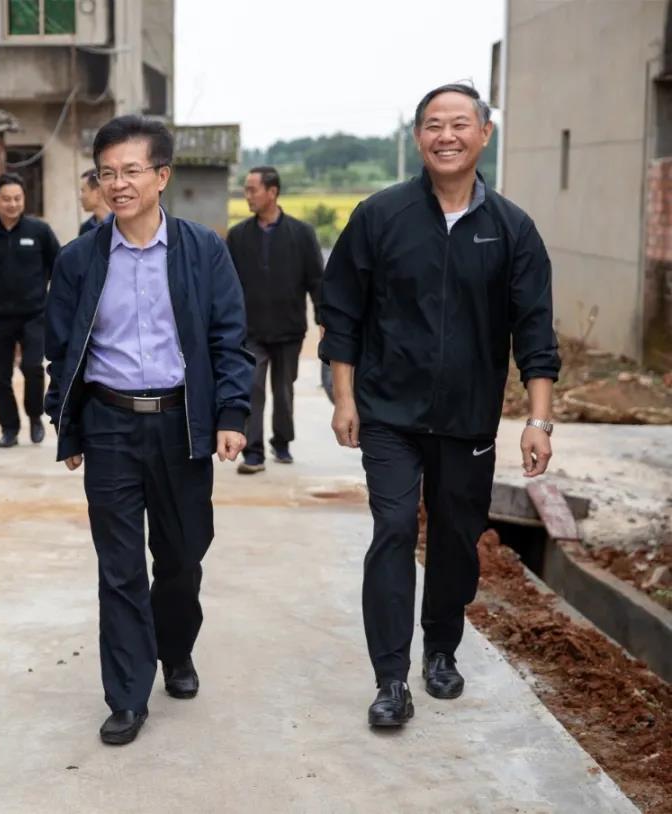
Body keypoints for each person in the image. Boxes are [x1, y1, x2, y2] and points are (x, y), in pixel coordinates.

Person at [318, 84, 560, 728]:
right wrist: (344, 397)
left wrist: (537, 420)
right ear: (418, 136)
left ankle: (442, 649)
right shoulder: (381, 215)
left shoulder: (512, 228)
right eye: (432, 125)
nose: (445, 136)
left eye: (458, 124)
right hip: (388, 415)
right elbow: (342, 311)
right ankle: (390, 679)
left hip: (468, 418)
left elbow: (535, 330)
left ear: (484, 133)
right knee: (394, 530)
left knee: (455, 538)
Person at [45, 115, 253, 746]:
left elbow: (229, 337)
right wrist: (67, 423)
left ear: (162, 176)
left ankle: (176, 648)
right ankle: (128, 695)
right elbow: (61, 347)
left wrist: (232, 414)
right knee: (119, 567)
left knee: (182, 556)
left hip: (180, 422)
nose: (118, 184)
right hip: (109, 422)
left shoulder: (203, 250)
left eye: (132, 171)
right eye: (107, 173)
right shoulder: (79, 259)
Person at [227, 166, 324, 474]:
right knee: (252, 388)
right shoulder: (238, 236)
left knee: (283, 390)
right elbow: (227, 286)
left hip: (289, 329)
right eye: (246, 190)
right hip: (250, 331)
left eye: (252, 190)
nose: (247, 196)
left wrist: (324, 321)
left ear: (272, 192)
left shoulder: (302, 234)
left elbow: (317, 281)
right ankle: (253, 452)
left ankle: (282, 442)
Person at [0, 173, 60, 448]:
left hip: (34, 314)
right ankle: (9, 428)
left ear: (24, 199)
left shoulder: (39, 231)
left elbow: (58, 263)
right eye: (6, 199)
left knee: (33, 367)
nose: (12, 204)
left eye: (17, 198)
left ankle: (35, 417)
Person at [78, 169, 111, 235]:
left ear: (98, 192)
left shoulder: (122, 224)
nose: (80, 197)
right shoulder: (85, 229)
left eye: (83, 191)